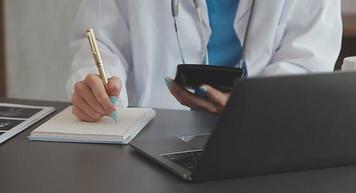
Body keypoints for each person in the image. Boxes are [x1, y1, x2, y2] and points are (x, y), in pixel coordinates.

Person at [67, 0, 342, 122]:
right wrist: (97, 88)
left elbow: (306, 63)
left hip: (261, 143)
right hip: (147, 139)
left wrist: (253, 107)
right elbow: (101, 43)